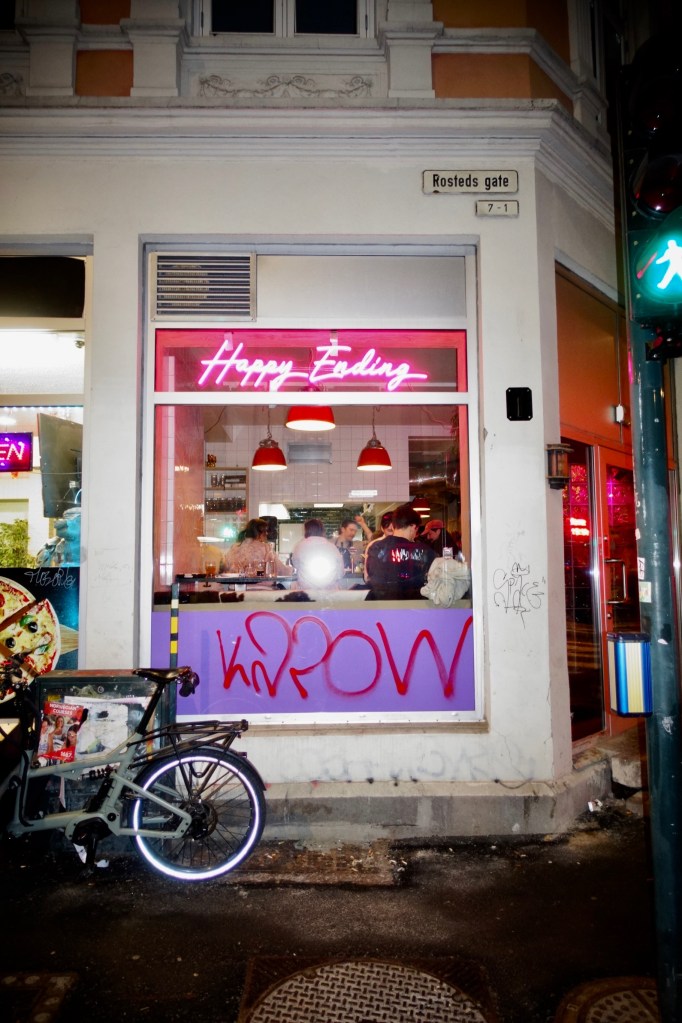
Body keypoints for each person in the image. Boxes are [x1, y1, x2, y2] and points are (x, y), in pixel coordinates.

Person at [365, 503, 436, 599]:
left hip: (382, 604)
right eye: (416, 529)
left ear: (393, 526)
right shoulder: (425, 551)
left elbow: (370, 577)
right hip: (415, 604)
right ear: (413, 527)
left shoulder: (375, 548)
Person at [224, 518, 292, 577]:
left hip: (235, 586)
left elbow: (226, 569)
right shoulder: (266, 548)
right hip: (260, 586)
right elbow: (280, 570)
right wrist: (291, 569)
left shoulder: (234, 548)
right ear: (259, 533)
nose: (267, 533)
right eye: (265, 531)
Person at [291, 518, 345, 591]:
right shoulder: (332, 547)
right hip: (330, 592)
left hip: (307, 592)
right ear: (322, 531)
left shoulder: (300, 546)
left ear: (306, 530)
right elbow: (340, 572)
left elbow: (296, 565)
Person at [363, 511, 395, 582]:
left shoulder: (403, 544)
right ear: (382, 528)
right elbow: (367, 574)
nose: (392, 533)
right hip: (379, 586)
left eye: (394, 530)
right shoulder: (374, 545)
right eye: (389, 530)